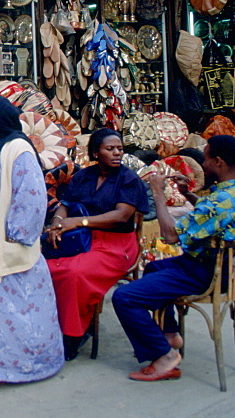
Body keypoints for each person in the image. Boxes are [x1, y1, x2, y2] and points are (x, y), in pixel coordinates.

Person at [112, 135, 235, 382]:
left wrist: (159, 194)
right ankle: (170, 334)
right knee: (152, 268)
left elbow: (170, 236)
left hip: (203, 272)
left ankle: (164, 357)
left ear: (220, 162)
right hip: (227, 269)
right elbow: (217, 216)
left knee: (124, 297)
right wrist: (188, 195)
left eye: (207, 159)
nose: (204, 164)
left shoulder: (217, 202)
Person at [0, 95, 64, 382]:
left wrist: (16, 234)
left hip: (6, 245)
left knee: (18, 305)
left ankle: (26, 364)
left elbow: (31, 196)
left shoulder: (18, 149)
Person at [45, 128, 150, 360]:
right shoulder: (84, 176)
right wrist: (58, 222)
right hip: (84, 239)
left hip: (118, 244)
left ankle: (74, 333)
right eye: (109, 149)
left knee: (74, 273)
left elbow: (121, 216)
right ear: (95, 152)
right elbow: (66, 203)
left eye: (119, 149)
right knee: (45, 267)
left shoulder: (128, 179)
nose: (116, 153)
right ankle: (52, 328)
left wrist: (79, 221)